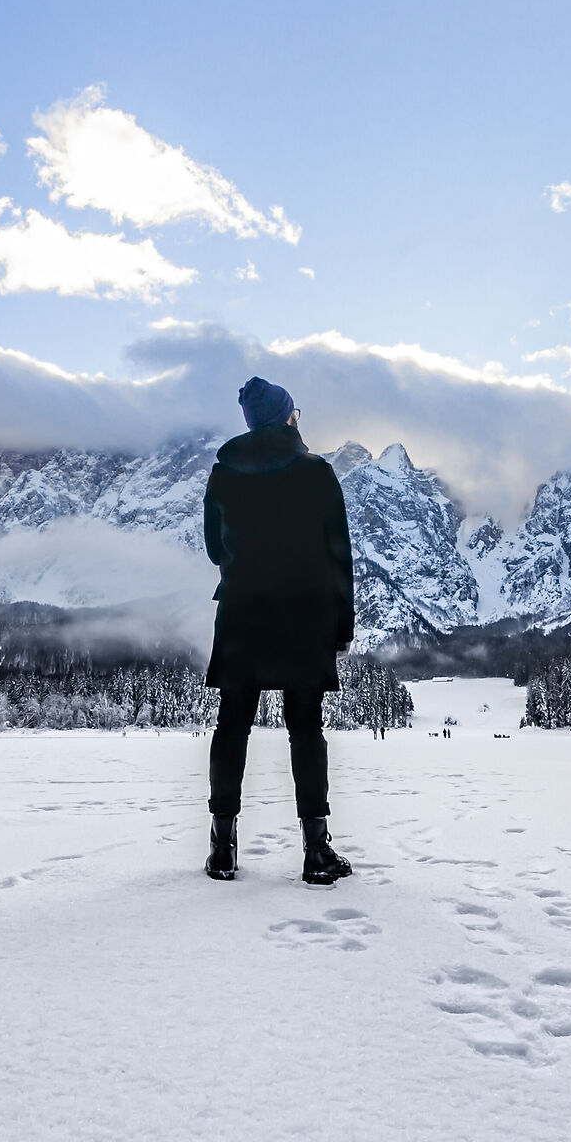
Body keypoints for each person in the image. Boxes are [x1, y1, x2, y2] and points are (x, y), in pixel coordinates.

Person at [200, 376, 356, 885]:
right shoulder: (316, 472)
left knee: (232, 725)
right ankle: (317, 852)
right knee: (305, 727)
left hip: (242, 612)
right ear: (288, 417)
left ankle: (222, 849)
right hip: (305, 615)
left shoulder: (223, 474)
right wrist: (343, 625)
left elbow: (214, 550)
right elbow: (339, 556)